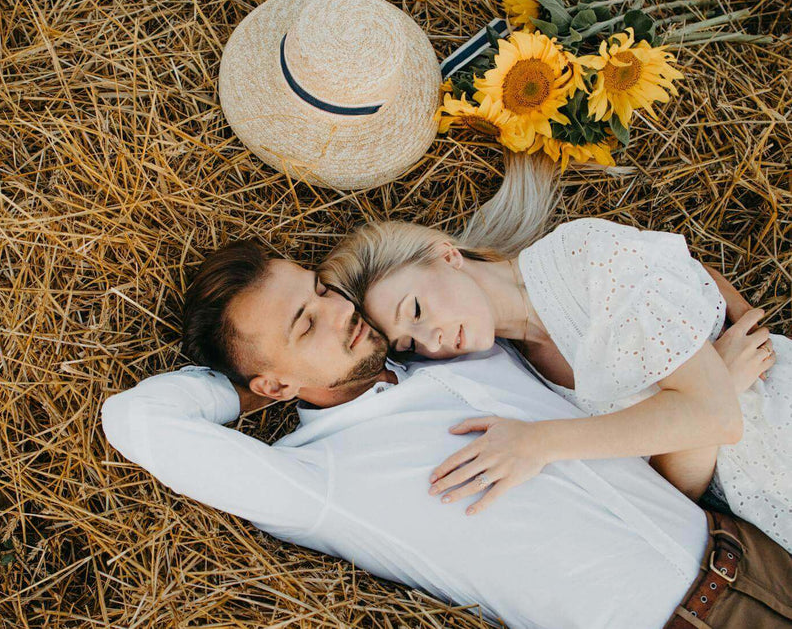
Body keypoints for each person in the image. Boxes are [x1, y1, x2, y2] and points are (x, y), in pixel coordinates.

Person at [101, 161, 792, 627]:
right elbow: (135, 420)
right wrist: (249, 399)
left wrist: (707, 367)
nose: (338, 313)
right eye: (305, 325)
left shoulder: (465, 348)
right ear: (275, 380)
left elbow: (630, 296)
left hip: (753, 544)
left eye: (319, 291)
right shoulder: (316, 478)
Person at [320, 215, 790, 557]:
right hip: (762, 520)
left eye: (417, 311)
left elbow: (717, 417)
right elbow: (673, 494)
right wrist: (716, 384)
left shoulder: (580, 255)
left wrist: (540, 443)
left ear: (448, 257)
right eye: (411, 343)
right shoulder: (515, 369)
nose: (432, 341)